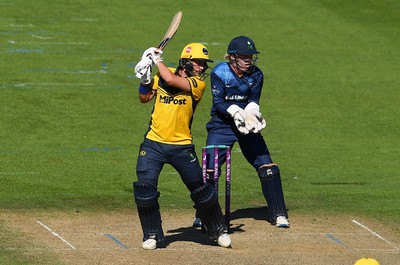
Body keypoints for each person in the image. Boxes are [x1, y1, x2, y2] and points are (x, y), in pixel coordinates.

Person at [132, 43, 231, 250]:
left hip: (182, 147)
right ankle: (151, 234)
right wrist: (145, 78)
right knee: (144, 188)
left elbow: (170, 79)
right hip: (154, 144)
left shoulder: (197, 84)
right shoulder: (159, 78)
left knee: (200, 190)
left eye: (204, 64)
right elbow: (144, 98)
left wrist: (155, 59)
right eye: (199, 63)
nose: (202, 68)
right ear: (186, 61)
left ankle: (218, 230)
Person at [193, 36, 290, 229]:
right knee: (210, 170)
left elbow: (253, 100)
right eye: (244, 56)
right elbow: (219, 103)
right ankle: (203, 215)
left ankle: (279, 213)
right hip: (221, 126)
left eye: (251, 56)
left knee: (268, 167)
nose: (248, 60)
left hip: (246, 125)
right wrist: (235, 111)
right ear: (231, 57)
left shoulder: (257, 75)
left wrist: (253, 113)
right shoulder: (220, 72)